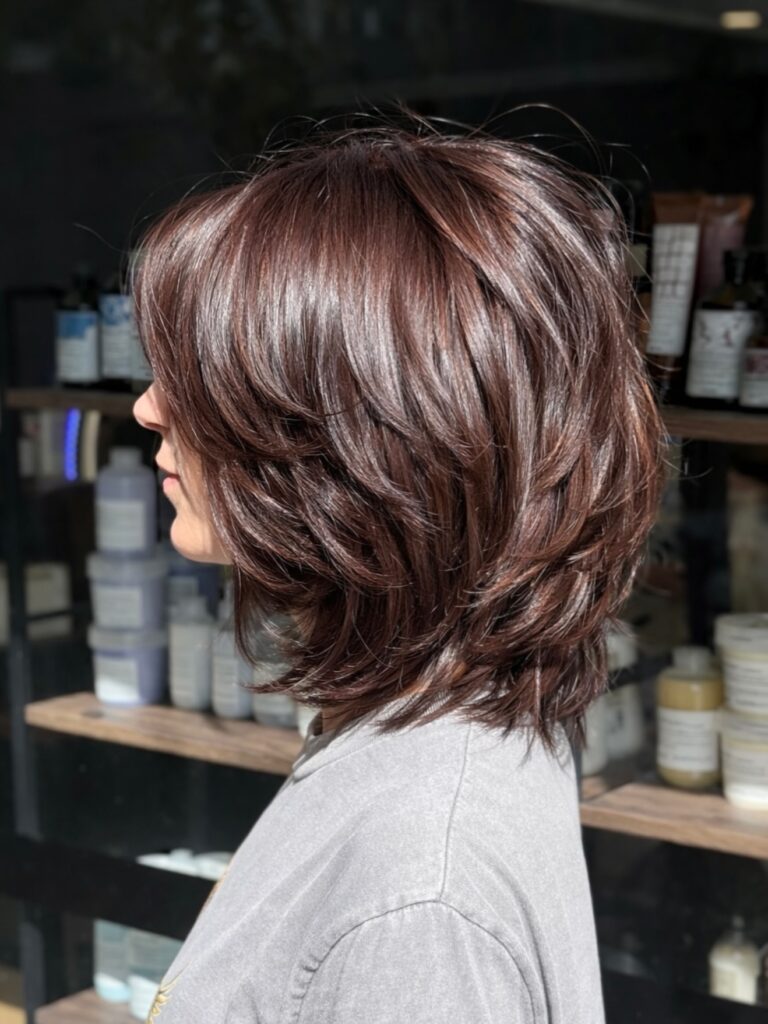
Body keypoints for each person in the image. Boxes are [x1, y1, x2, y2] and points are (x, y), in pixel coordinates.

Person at [132, 114, 664, 1024]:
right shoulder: (430, 723)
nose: (147, 408)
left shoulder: (419, 907)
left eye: (206, 379)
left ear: (360, 442)